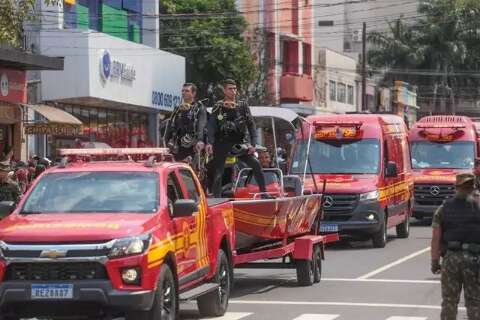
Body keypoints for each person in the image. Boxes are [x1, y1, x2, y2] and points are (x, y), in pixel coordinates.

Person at [207, 79, 270, 198]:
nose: (233, 91)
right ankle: (216, 199)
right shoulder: (218, 106)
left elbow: (251, 124)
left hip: (239, 142)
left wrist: (253, 144)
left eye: (235, 89)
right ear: (225, 91)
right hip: (222, 143)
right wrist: (210, 142)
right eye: (230, 89)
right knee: (218, 172)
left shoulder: (242, 105)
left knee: (256, 164)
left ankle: (264, 193)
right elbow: (211, 125)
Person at [431, 173, 480, 320]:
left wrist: (434, 262)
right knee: (474, 302)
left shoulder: (443, 209)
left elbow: (436, 239)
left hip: (451, 259)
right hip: (474, 260)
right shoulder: (478, 208)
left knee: (449, 302)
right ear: (473, 187)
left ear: (456, 187)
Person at [164, 83, 207, 162]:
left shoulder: (199, 108)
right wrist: (166, 142)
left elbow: (201, 126)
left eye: (187, 91)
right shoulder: (177, 109)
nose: (183, 93)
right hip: (177, 146)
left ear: (193, 93)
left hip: (192, 146)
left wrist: (200, 140)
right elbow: (170, 126)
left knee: (192, 171)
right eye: (182, 91)